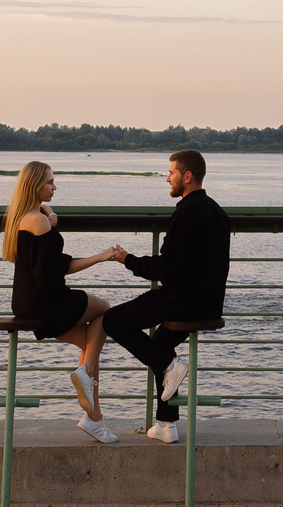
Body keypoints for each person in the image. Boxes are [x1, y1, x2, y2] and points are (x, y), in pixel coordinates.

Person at [95, 148, 231, 444]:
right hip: (209, 303)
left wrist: (128, 260)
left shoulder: (186, 212)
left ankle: (170, 365)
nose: (167, 179)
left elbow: (167, 268)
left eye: (171, 173)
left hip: (182, 301)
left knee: (112, 320)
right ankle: (166, 424)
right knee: (159, 345)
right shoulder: (218, 212)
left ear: (187, 176)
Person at [3, 159, 129, 442]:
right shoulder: (38, 222)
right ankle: (85, 373)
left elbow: (50, 260)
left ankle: (94, 419)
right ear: (34, 185)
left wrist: (50, 214)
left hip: (24, 302)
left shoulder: (22, 217)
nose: (55, 187)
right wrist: (100, 257)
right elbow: (60, 267)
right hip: (47, 302)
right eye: (49, 182)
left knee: (89, 342)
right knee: (105, 311)